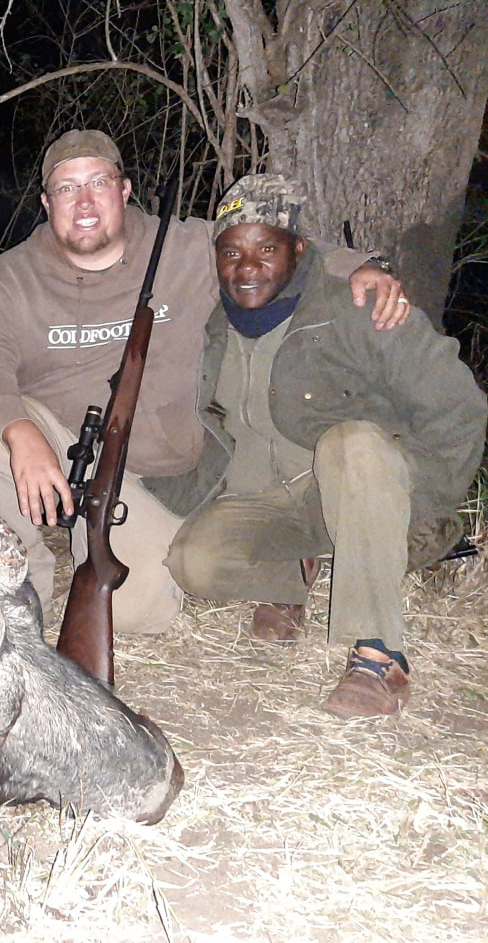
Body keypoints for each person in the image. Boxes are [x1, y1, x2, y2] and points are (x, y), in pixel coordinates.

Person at [0, 129, 409, 634]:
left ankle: (264, 555)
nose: (84, 201)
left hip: (171, 473)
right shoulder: (11, 276)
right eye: (67, 188)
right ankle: (12, 594)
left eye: (98, 182)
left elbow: (274, 251)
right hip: (68, 447)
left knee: (133, 613)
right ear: (46, 202)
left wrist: (369, 267)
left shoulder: (184, 247)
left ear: (124, 191)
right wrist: (22, 434)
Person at [160, 174, 485, 717]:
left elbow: (460, 407)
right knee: (195, 562)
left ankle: (380, 656)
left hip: (362, 484)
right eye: (232, 252)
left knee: (351, 443)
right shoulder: (211, 323)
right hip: (278, 502)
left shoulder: (360, 304)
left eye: (267, 248)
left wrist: (422, 505)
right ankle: (293, 573)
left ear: (300, 249)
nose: (247, 267)